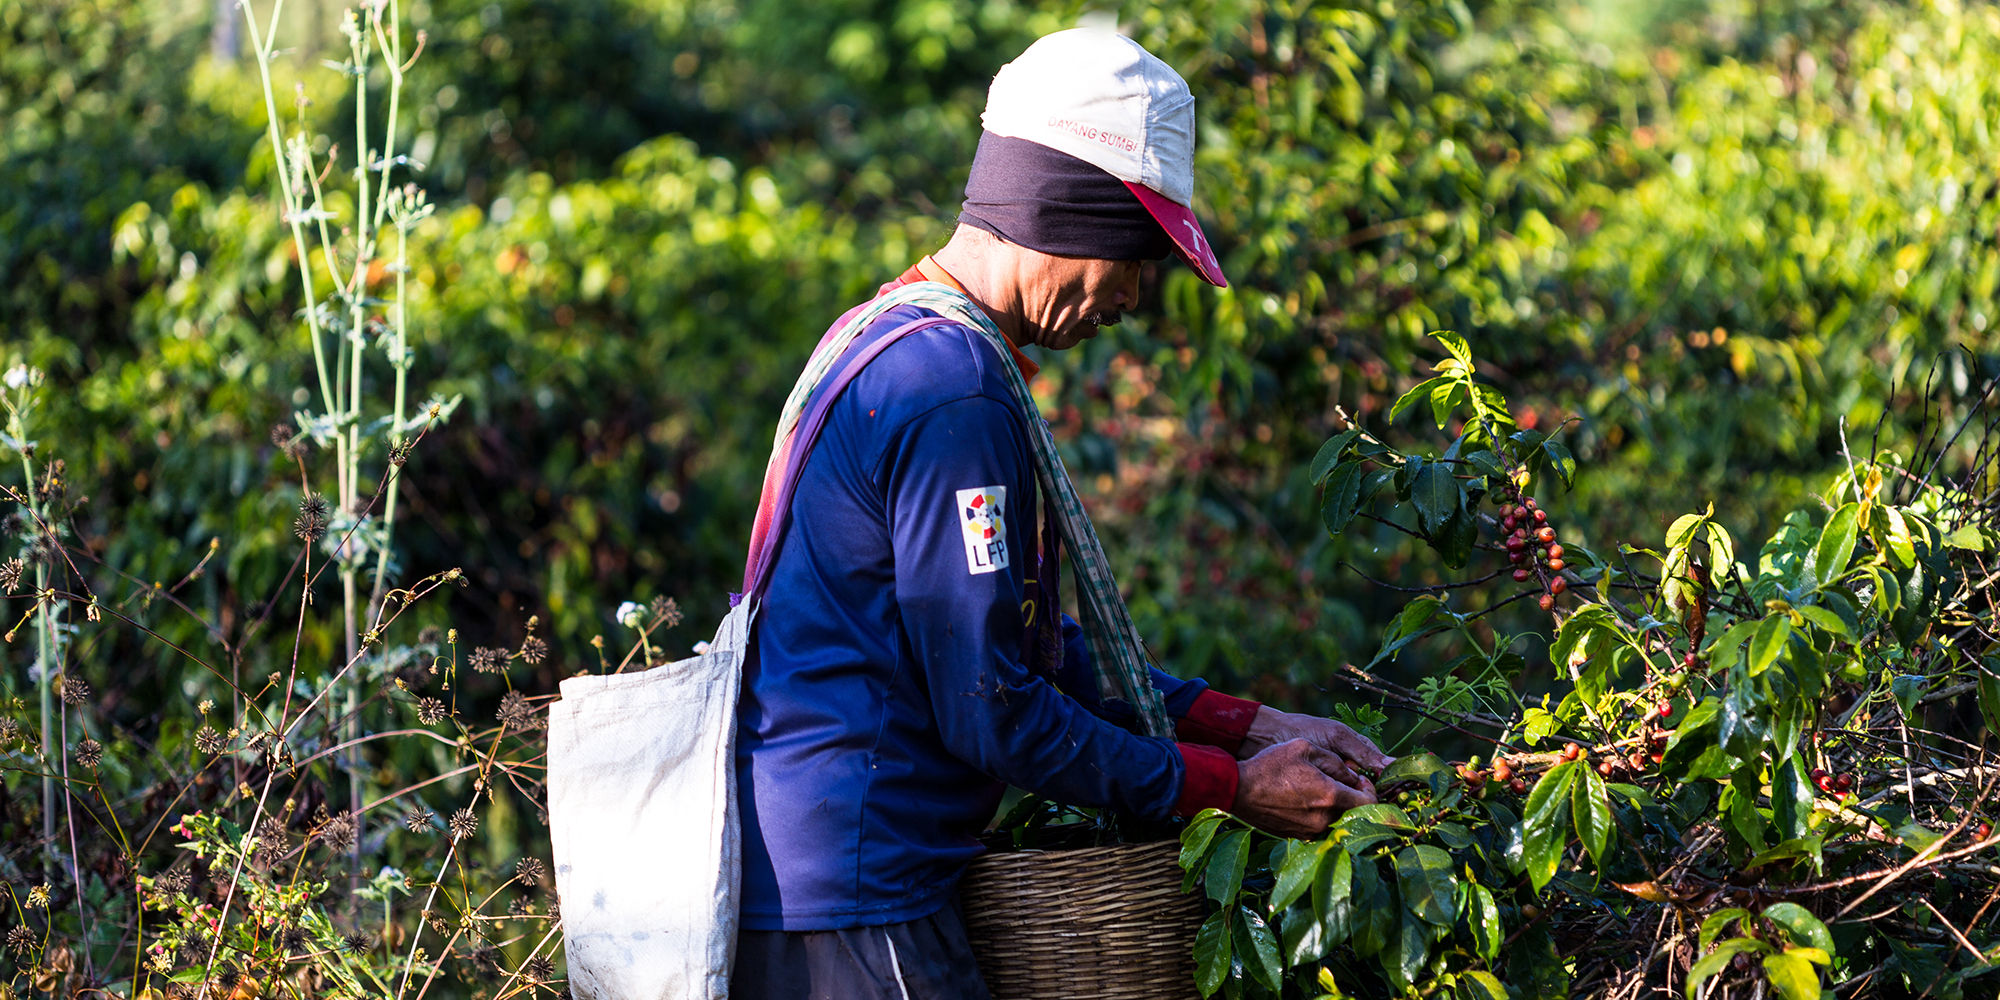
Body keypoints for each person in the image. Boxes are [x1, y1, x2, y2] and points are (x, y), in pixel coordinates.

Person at [732, 27, 1391, 1000]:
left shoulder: (891, 334)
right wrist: (1228, 786)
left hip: (832, 884)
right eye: (1133, 257)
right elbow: (992, 706)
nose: (1127, 297)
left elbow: (1023, 650)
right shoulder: (948, 389)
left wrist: (1240, 724)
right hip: (858, 903)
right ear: (1065, 208)